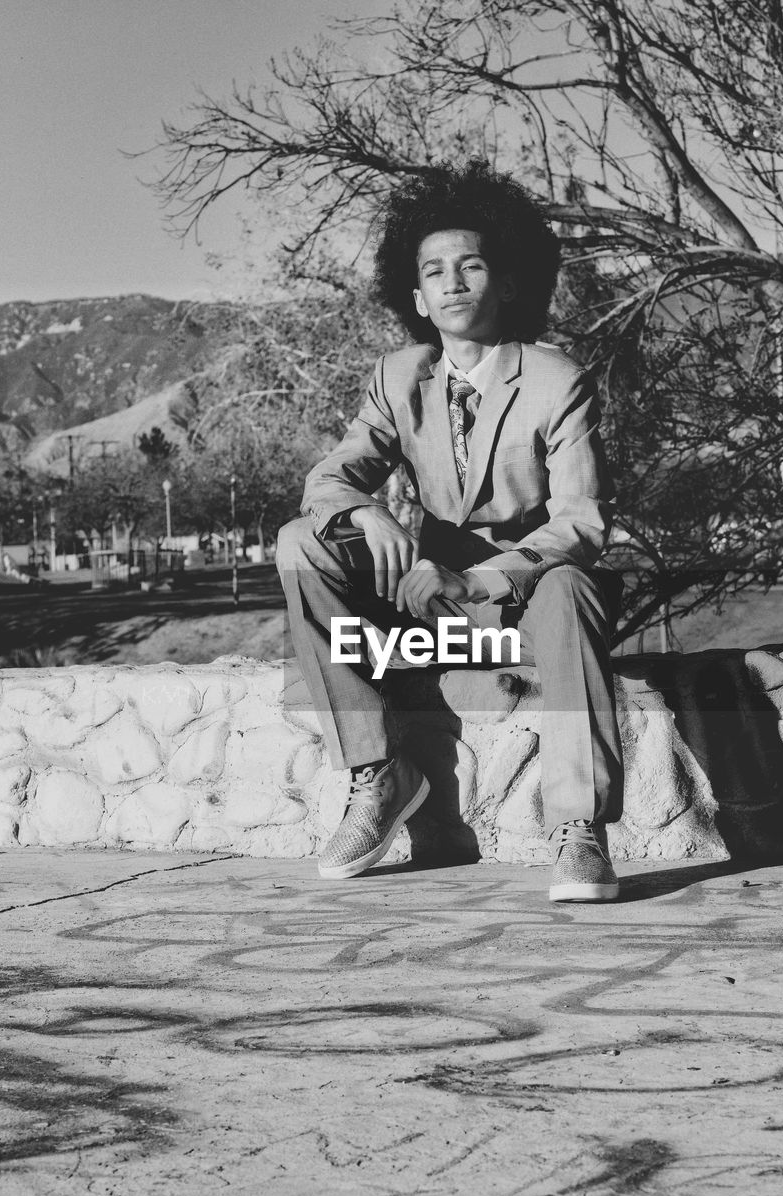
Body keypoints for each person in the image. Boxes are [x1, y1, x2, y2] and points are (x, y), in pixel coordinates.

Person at [277, 161, 624, 902]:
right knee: (298, 544)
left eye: (471, 264)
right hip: (434, 621)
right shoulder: (399, 376)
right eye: (434, 271)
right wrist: (369, 512)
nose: (453, 280)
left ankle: (579, 831)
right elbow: (326, 482)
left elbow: (581, 523)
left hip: (528, 609)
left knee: (566, 584)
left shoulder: (555, 378)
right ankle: (377, 774)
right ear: (416, 298)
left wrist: (478, 576)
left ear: (507, 281)